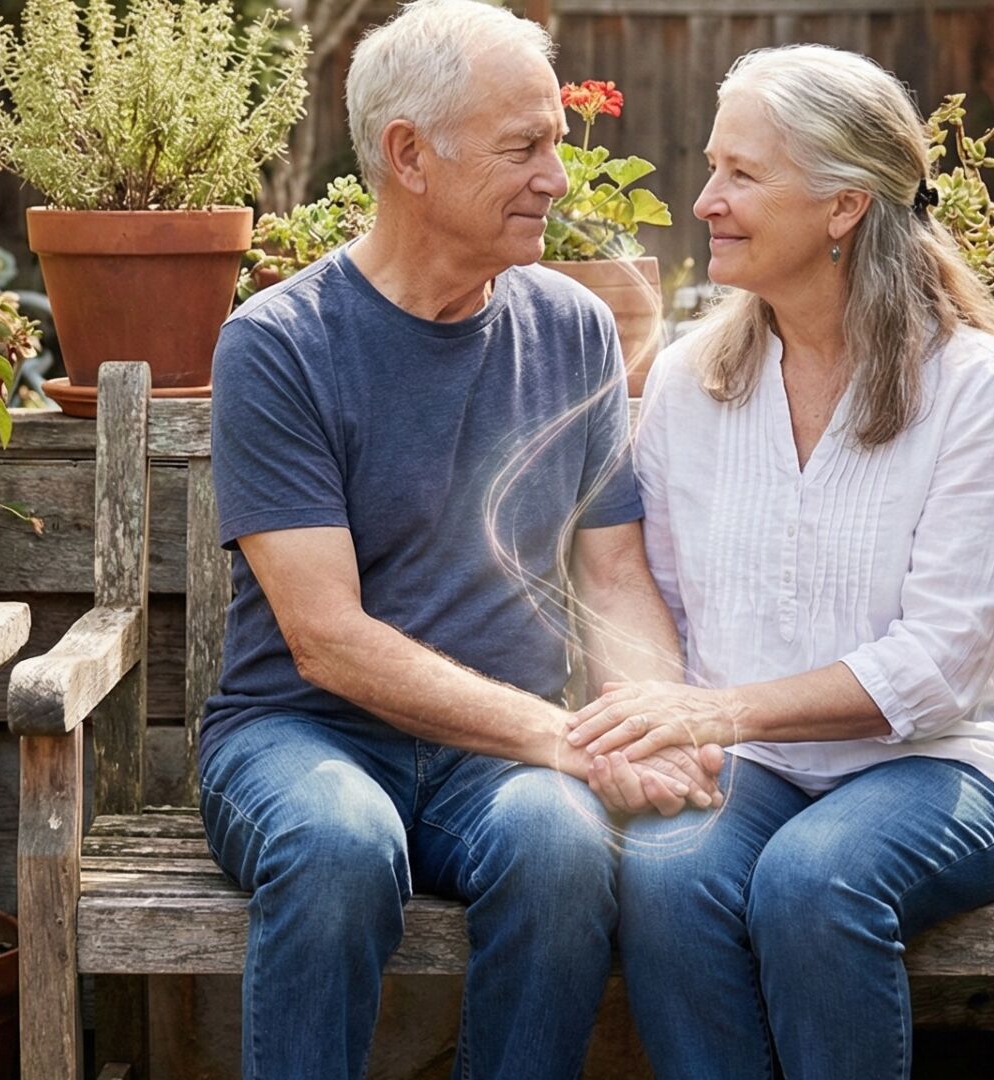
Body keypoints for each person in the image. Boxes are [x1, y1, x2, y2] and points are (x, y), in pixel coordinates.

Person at [198, 2, 722, 1077]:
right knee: (340, 846)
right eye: (522, 148)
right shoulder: (282, 345)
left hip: (498, 757)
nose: (558, 180)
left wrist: (651, 723)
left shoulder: (573, 330)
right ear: (410, 157)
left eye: (556, 148)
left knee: (566, 846)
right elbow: (327, 640)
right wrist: (563, 739)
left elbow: (614, 573)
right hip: (306, 736)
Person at [566, 44, 994, 1079]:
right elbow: (644, 590)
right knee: (661, 868)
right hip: (757, 770)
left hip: (954, 766)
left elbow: (940, 667)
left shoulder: (968, 384)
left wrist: (719, 713)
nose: (705, 199)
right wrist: (656, 717)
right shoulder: (693, 377)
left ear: (843, 207)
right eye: (713, 168)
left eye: (742, 175)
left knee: (814, 879)